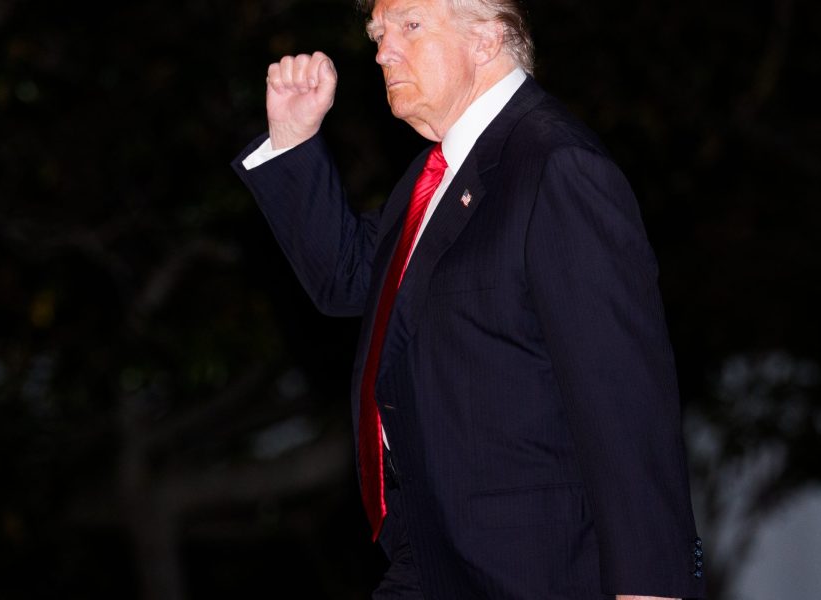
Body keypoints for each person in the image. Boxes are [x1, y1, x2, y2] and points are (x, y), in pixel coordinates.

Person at [233, 0, 704, 597]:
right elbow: (349, 278)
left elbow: (624, 395)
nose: (382, 52)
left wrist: (651, 586)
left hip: (534, 568)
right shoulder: (436, 176)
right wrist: (293, 138)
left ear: (487, 40)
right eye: (377, 34)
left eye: (409, 26)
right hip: (431, 555)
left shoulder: (556, 164)